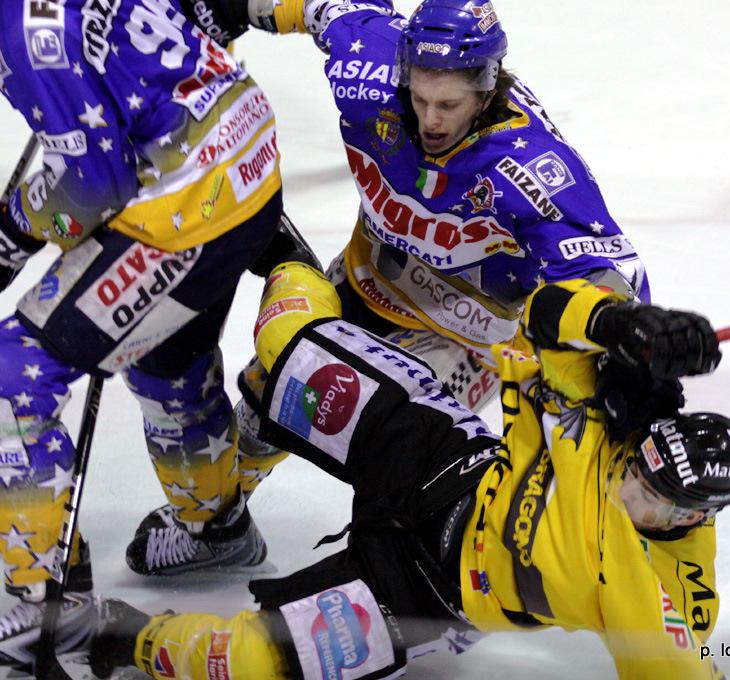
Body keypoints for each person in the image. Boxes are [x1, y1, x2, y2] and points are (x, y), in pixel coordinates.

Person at [129, 0, 659, 573]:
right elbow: (323, 6)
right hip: (368, 282)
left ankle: (393, 584)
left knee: (397, 460)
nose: (430, 120)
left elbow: (610, 275)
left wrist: (629, 351)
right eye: (420, 98)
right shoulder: (370, 68)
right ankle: (218, 533)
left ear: (487, 90)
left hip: (466, 336)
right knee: (268, 403)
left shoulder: (530, 170)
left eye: (449, 105)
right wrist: (201, 12)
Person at [89, 256, 730, 680]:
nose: (627, 487)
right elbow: (547, 312)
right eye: (636, 470)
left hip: (427, 595)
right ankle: (272, 239)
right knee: (285, 344)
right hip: (438, 456)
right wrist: (622, 322)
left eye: (650, 497)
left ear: (689, 518)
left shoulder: (668, 594)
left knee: (251, 661)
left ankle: (123, 637)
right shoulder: (610, 421)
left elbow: (678, 665)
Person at [0, 0, 285, 664]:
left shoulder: (29, 30)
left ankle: (48, 614)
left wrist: (15, 228)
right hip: (245, 164)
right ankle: (215, 526)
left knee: (12, 376)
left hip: (188, 205)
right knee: (165, 362)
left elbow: (93, 184)